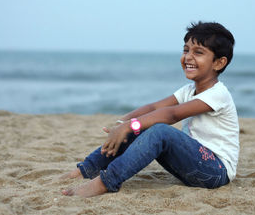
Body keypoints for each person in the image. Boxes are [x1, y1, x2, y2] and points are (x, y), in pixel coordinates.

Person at [61, 21, 239, 197]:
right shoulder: (189, 90)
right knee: (141, 124)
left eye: (198, 52)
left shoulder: (218, 94)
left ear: (218, 63)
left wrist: (131, 125)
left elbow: (171, 114)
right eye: (186, 50)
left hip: (216, 172)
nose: (188, 57)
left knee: (158, 130)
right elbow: (154, 107)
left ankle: (106, 182)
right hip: (192, 166)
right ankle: (87, 169)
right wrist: (122, 123)